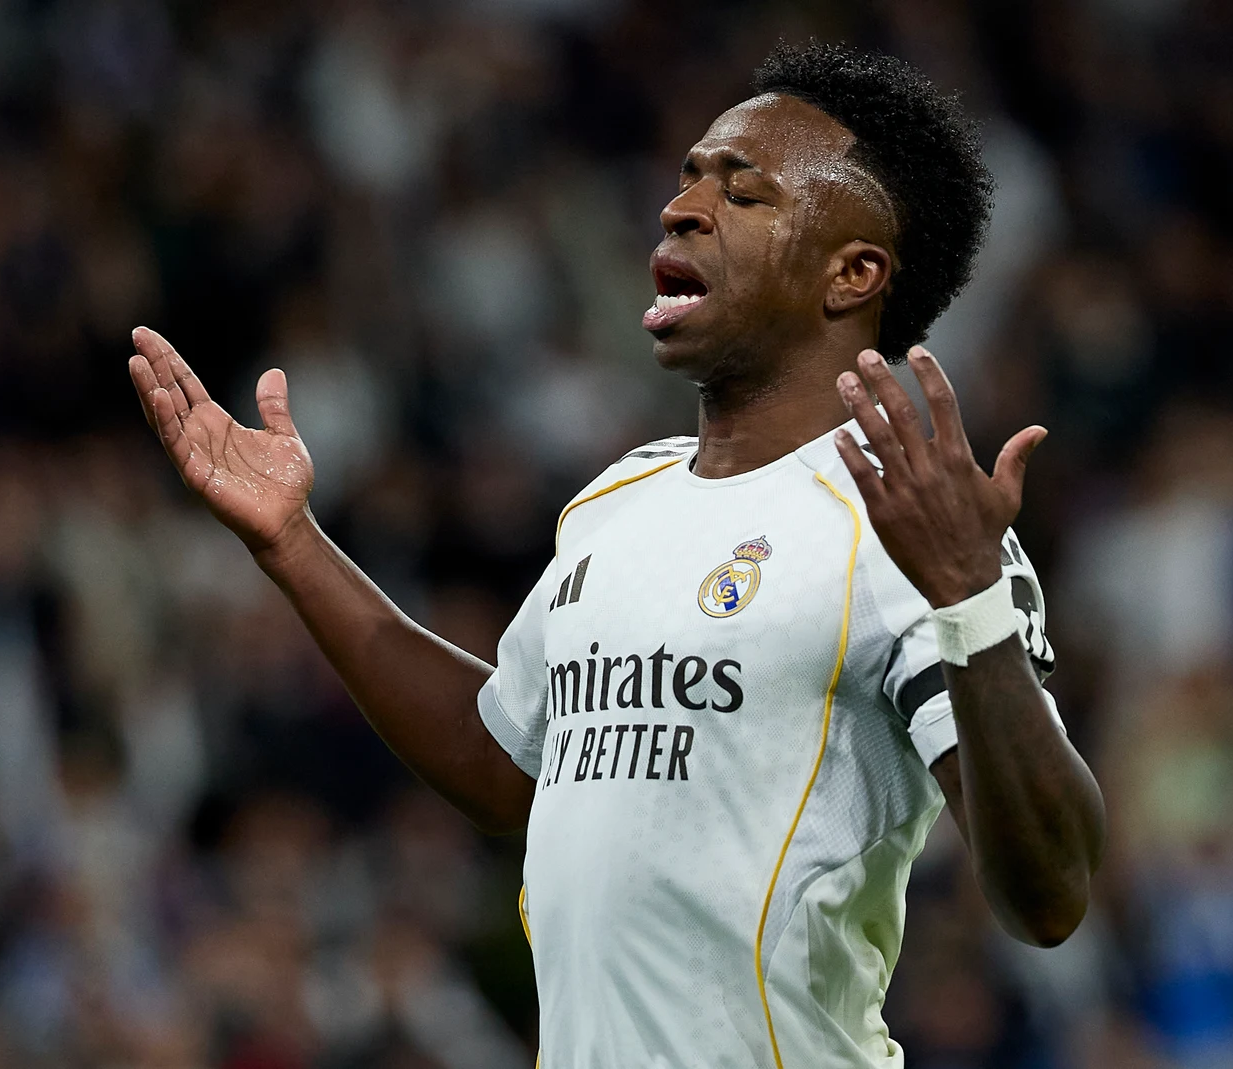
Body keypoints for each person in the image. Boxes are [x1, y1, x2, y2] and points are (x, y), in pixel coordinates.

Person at [126, 40, 1104, 1069]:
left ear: (851, 274)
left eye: (745, 193)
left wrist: (970, 597)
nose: (682, 208)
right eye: (687, 177)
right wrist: (292, 542)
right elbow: (503, 763)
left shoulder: (908, 518)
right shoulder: (618, 498)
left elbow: (1050, 896)